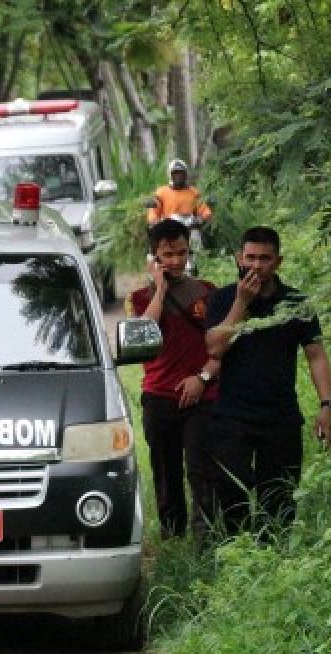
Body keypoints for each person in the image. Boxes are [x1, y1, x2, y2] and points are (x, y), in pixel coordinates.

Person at [203, 226, 331, 533]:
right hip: (232, 417)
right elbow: (215, 348)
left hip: (280, 417)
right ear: (239, 258)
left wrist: (326, 404)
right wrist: (241, 303)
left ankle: (277, 564)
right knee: (232, 498)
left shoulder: (296, 303)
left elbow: (316, 354)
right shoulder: (222, 299)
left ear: (278, 262)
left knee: (279, 501)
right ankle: (238, 560)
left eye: (265, 259)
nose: (256, 266)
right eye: (250, 258)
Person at [127, 218, 220, 540]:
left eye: (181, 253)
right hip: (159, 397)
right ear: (154, 257)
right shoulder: (140, 298)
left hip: (202, 397)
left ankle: (205, 537)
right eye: (167, 254)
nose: (176, 260)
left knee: (201, 469)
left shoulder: (207, 293)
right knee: (166, 472)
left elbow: (222, 346)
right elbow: (142, 336)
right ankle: (172, 533)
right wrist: (161, 289)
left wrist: (202, 378)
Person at [146, 159, 213, 227]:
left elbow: (204, 210)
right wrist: (155, 221)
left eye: (181, 173)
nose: (178, 176)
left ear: (185, 175)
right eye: (175, 173)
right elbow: (153, 211)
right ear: (170, 175)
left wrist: (201, 219)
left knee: (195, 236)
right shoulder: (161, 192)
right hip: (168, 227)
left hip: (190, 227)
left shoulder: (194, 192)